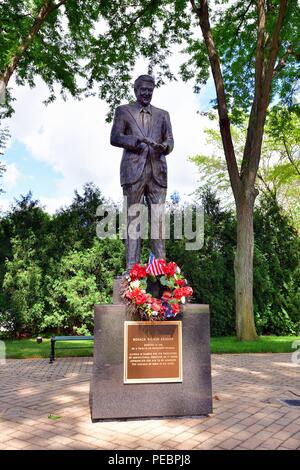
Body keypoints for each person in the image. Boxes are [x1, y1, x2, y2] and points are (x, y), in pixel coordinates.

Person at [110, 74, 174, 271]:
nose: (147, 93)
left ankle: (161, 270)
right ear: (135, 90)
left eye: (150, 90)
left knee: (158, 221)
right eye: (143, 89)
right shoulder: (123, 111)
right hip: (133, 171)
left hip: (158, 171)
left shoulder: (163, 114)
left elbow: (170, 141)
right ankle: (132, 270)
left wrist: (163, 147)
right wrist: (134, 142)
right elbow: (115, 137)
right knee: (133, 220)